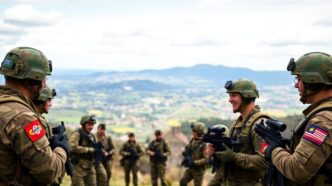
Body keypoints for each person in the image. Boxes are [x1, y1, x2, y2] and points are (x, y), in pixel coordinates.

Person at [0, 47, 68, 185]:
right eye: (43, 78)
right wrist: (62, 149)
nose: (44, 83)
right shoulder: (22, 118)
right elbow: (48, 172)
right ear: (34, 79)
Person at [262, 52, 332, 185]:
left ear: (312, 80)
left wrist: (272, 150)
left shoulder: (324, 120)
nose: (296, 85)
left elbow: (297, 169)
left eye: (298, 79)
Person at [206, 79, 269, 186]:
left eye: (234, 95)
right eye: (229, 96)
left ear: (247, 96)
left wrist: (234, 157)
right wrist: (215, 152)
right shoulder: (239, 123)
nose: (229, 100)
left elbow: (265, 161)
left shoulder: (259, 125)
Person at [70, 115, 107, 186]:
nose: (91, 127)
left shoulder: (92, 136)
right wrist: (88, 150)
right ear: (83, 124)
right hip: (78, 166)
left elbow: (96, 148)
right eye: (89, 124)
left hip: (90, 166)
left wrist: (101, 151)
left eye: (92, 125)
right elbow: (72, 147)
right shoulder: (77, 134)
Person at [179, 122, 209, 186]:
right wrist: (185, 152)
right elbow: (188, 148)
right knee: (182, 182)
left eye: (194, 131)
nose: (192, 133)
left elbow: (206, 159)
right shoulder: (193, 140)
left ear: (199, 132)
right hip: (190, 168)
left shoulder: (204, 144)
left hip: (198, 170)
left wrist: (195, 162)